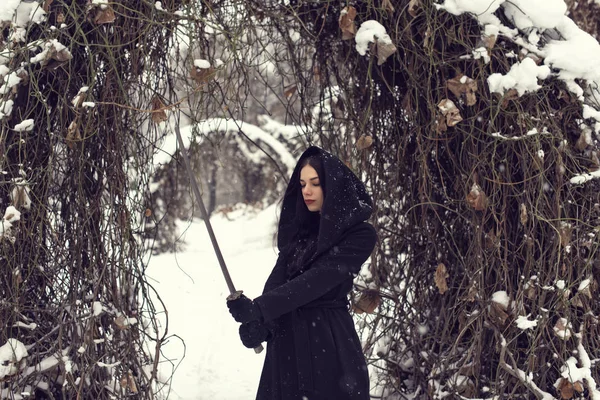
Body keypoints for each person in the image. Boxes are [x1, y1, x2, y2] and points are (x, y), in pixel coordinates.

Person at [226, 146, 377, 400]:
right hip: (286, 350)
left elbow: (317, 281)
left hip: (330, 346)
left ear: (333, 186)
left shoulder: (359, 234)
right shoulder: (299, 234)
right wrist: (259, 324)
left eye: (315, 183)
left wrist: (261, 308)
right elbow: (277, 285)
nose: (306, 190)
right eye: (302, 183)